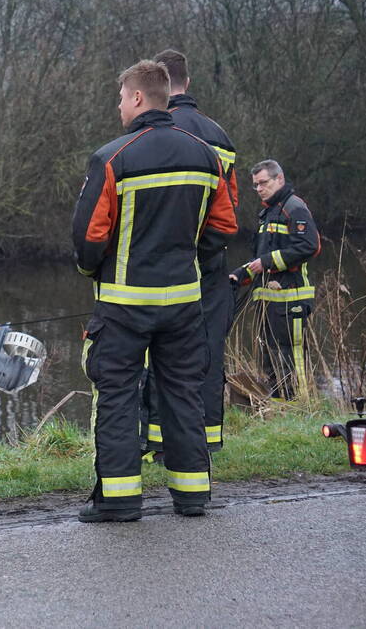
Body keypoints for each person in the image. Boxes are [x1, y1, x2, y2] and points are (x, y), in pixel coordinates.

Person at [72, 60, 237, 522]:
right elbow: (224, 226)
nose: (119, 106)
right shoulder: (205, 155)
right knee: (182, 393)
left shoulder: (112, 158)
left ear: (139, 97)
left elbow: (88, 238)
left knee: (118, 395)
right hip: (184, 300)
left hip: (124, 303)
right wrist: (191, 257)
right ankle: (192, 494)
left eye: (121, 98)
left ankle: (119, 500)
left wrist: (93, 271)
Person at [140, 49, 239, 455]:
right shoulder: (220, 136)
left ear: (157, 85)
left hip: (162, 263)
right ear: (189, 81)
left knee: (160, 352)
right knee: (208, 350)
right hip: (210, 263)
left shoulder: (149, 134)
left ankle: (157, 439)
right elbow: (229, 209)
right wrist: (206, 251)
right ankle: (207, 439)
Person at [230, 160, 320, 403]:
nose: (259, 189)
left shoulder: (294, 208)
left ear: (279, 179)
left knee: (291, 358)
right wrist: (239, 275)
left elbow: (309, 246)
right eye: (255, 185)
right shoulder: (269, 213)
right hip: (268, 303)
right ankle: (280, 407)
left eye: (263, 183)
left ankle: (301, 407)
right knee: (271, 359)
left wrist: (268, 261)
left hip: (291, 301)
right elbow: (260, 260)